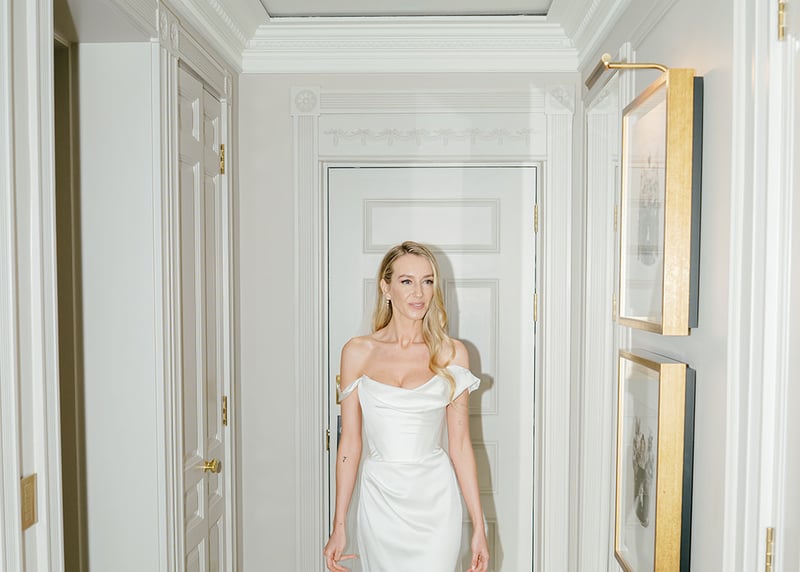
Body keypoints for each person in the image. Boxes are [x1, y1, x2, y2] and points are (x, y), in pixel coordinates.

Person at [323, 241, 490, 572]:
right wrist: (338, 525)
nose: (419, 293)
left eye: (427, 281)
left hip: (435, 502)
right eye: (407, 281)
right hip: (379, 501)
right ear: (386, 287)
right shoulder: (357, 352)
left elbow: (460, 446)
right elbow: (350, 444)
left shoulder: (452, 354)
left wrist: (479, 527)